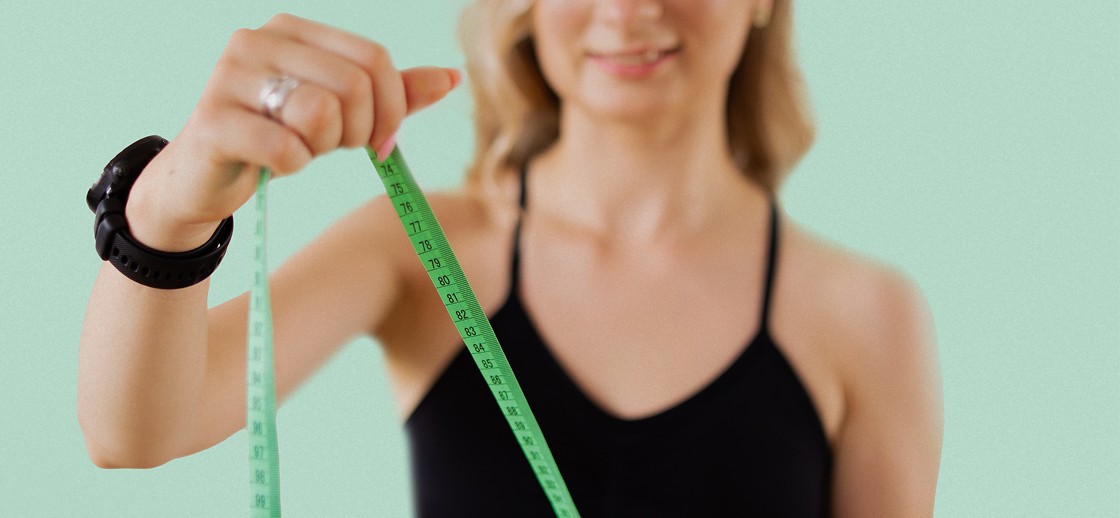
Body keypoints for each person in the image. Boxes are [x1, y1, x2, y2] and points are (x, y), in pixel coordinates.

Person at [78, 1, 943, 516]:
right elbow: (135, 431)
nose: (626, 9)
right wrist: (168, 211)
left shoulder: (865, 315)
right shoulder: (423, 252)